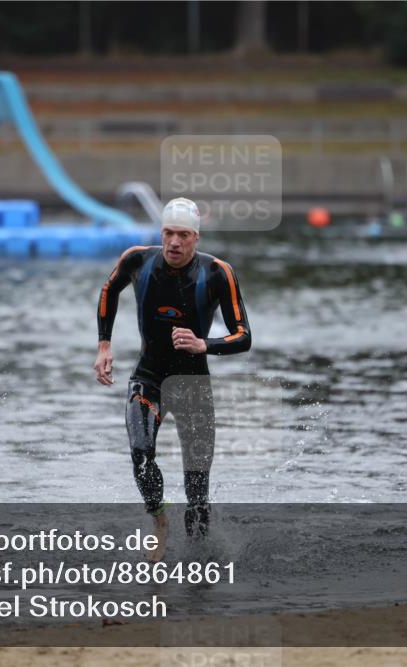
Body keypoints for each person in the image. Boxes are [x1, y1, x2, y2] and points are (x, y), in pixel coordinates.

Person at [94, 197, 252, 561]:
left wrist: (203, 344)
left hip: (194, 385)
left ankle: (199, 570)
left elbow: (244, 336)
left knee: (197, 492)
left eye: (183, 235)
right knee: (141, 454)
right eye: (168, 233)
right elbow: (108, 290)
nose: (174, 242)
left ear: (196, 238)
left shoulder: (218, 272)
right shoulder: (138, 260)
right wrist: (104, 345)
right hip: (148, 378)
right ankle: (160, 521)